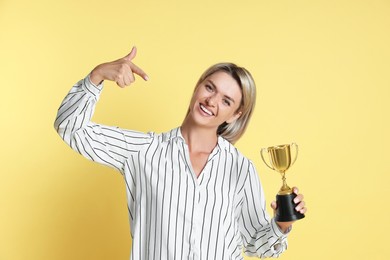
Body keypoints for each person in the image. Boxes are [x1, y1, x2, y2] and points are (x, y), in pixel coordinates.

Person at [54, 47, 307, 260]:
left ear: (235, 115)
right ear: (197, 87)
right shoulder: (143, 151)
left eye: (226, 101)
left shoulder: (240, 168)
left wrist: (282, 223)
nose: (212, 101)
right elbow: (70, 128)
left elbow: (256, 246)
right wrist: (96, 76)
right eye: (210, 88)